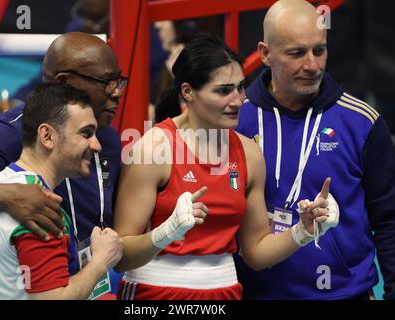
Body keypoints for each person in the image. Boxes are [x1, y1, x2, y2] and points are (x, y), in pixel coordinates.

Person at [112, 33, 338, 300]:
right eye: (223, 90)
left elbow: (256, 253)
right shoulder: (152, 149)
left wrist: (304, 231)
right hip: (153, 293)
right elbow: (121, 256)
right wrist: (165, 232)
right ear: (188, 92)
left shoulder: (249, 153)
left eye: (240, 87)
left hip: (225, 291)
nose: (238, 99)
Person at [235, 0, 395, 299]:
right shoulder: (234, 121)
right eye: (296, 53)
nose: (312, 65)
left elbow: (392, 220)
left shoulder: (361, 121)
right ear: (265, 54)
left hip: (344, 294)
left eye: (319, 50)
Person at [0, 32, 125, 249]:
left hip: (86, 276)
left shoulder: (108, 136)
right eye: (106, 82)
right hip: (27, 278)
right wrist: (8, 195)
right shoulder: (11, 130)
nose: (116, 93)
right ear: (63, 83)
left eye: (118, 82)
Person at [0, 83, 123, 299]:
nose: (97, 145)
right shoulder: (41, 211)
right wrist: (100, 262)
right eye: (86, 134)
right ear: (47, 136)